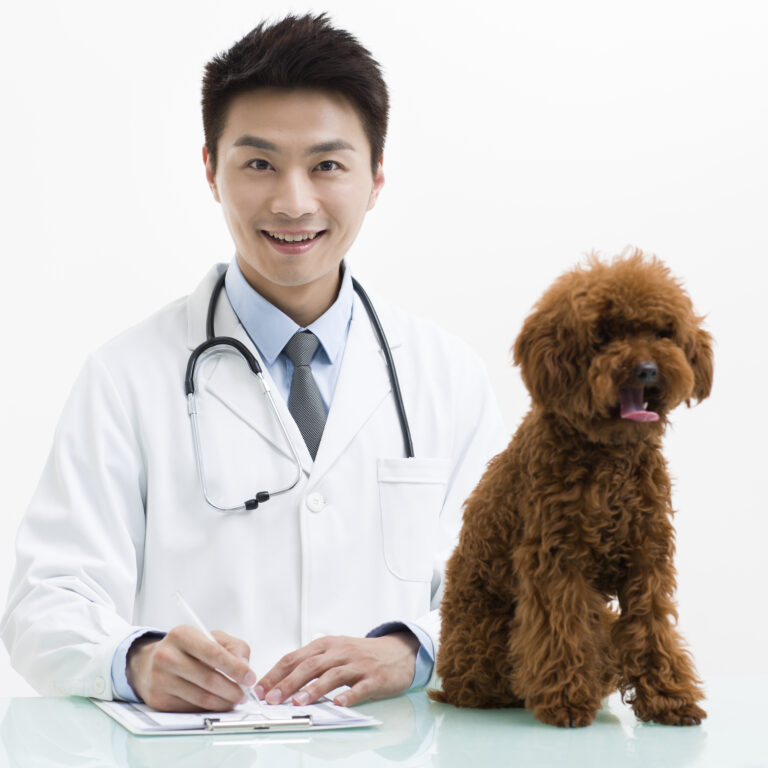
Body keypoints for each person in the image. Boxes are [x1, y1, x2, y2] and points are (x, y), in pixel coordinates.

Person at [2, 14, 505, 713]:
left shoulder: (447, 378)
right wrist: (136, 661)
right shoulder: (125, 378)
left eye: (327, 165)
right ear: (211, 170)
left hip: (391, 751)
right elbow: (44, 603)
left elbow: (515, 589)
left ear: (376, 176)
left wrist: (412, 650)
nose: (292, 202)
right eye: (259, 163)